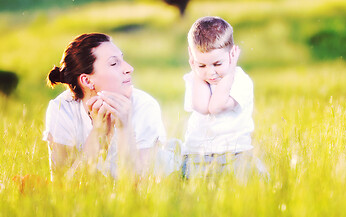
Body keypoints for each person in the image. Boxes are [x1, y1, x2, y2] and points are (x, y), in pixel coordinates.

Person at [43, 33, 168, 180]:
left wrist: (124, 127)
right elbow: (62, 187)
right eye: (114, 63)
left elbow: (138, 185)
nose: (129, 68)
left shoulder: (145, 106)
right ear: (87, 81)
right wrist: (98, 132)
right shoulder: (62, 109)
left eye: (122, 59)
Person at [182, 16, 268, 180]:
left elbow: (216, 106)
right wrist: (196, 69)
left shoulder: (240, 81)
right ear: (192, 58)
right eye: (202, 65)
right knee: (190, 179)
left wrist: (228, 73)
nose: (210, 72)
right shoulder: (195, 78)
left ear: (232, 54)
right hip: (198, 154)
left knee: (254, 179)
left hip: (234, 153)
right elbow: (202, 106)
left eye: (217, 64)